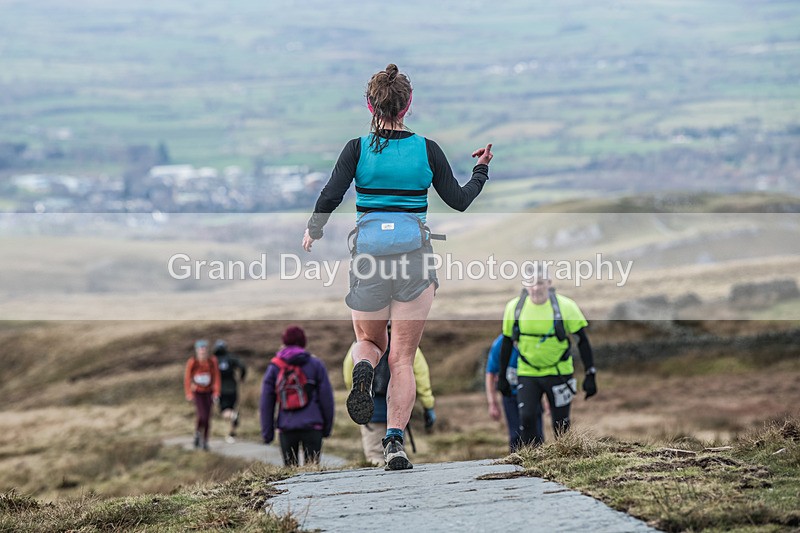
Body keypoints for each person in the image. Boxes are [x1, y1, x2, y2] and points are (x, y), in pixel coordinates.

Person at [302, 63, 492, 470]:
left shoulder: (356, 148)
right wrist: (481, 170)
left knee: (369, 343)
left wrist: (313, 231)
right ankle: (394, 442)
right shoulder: (427, 149)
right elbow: (459, 200)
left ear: (369, 104)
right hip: (414, 261)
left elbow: (331, 194)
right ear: (409, 105)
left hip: (369, 261)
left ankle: (363, 369)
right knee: (403, 359)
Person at [498, 265, 597, 447]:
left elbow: (582, 340)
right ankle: (532, 463)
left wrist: (590, 373)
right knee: (526, 418)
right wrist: (502, 376)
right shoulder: (514, 308)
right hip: (528, 373)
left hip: (559, 373)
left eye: (540, 283)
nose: (536, 288)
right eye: (531, 283)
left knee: (561, 424)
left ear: (549, 284)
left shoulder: (566, 307)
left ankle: (565, 463)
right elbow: (505, 343)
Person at [343, 325, 436, 465]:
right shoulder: (408, 344)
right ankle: (394, 447)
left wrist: (354, 393)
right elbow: (421, 377)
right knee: (395, 446)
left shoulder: (360, 344)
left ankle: (378, 481)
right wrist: (428, 406)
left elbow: (348, 374)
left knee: (375, 456)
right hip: (398, 408)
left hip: (372, 411)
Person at [260, 325, 335, 467]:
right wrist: (326, 427)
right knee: (312, 472)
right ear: (303, 342)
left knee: (290, 473)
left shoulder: (274, 367)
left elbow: (266, 401)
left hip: (286, 427)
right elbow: (327, 398)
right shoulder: (316, 364)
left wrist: (267, 433)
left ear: (284, 342)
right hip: (313, 426)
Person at [485, 333, 528, 452]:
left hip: (531, 394)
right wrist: (492, 403)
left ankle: (538, 464)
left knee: (535, 434)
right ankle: (515, 463)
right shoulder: (499, 344)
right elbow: (490, 373)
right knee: (515, 435)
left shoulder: (531, 340)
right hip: (510, 395)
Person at [184, 339, 221, 451]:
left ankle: (205, 441)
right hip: (198, 392)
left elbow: (217, 377)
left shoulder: (212, 361)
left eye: (204, 351)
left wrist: (216, 392)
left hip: (208, 392)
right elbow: (187, 378)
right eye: (200, 351)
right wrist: (189, 393)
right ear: (197, 351)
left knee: (208, 417)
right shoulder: (192, 362)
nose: (203, 353)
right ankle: (197, 433)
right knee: (202, 416)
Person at [213, 339, 247, 442]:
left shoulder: (213, 360)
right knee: (231, 409)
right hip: (233, 388)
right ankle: (231, 434)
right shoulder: (231, 357)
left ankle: (233, 418)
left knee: (224, 412)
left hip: (220, 390)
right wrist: (242, 378)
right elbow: (242, 366)